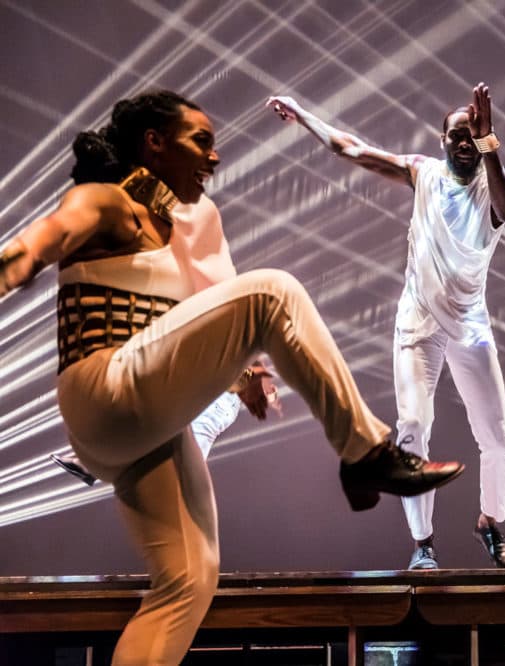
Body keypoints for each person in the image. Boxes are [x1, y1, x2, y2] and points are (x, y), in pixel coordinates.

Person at [0, 89, 464, 665]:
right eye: (200, 143)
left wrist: (248, 373)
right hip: (106, 388)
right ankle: (367, 452)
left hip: (139, 428)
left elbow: (215, 295)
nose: (215, 159)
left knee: (190, 580)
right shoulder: (103, 202)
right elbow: (26, 252)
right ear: (154, 143)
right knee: (274, 290)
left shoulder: (188, 222)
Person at [267, 82, 505, 570]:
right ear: (441, 140)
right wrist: (302, 114)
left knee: (497, 437)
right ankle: (423, 544)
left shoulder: (499, 182)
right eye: (458, 135)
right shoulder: (422, 172)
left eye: (474, 135)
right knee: (412, 426)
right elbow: (353, 149)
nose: (465, 142)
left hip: (470, 323)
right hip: (420, 322)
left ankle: (490, 522)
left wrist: (491, 143)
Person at [49, 194, 273, 486]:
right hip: (198, 386)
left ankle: (177, 492)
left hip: (218, 397)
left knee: (191, 442)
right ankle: (99, 463)